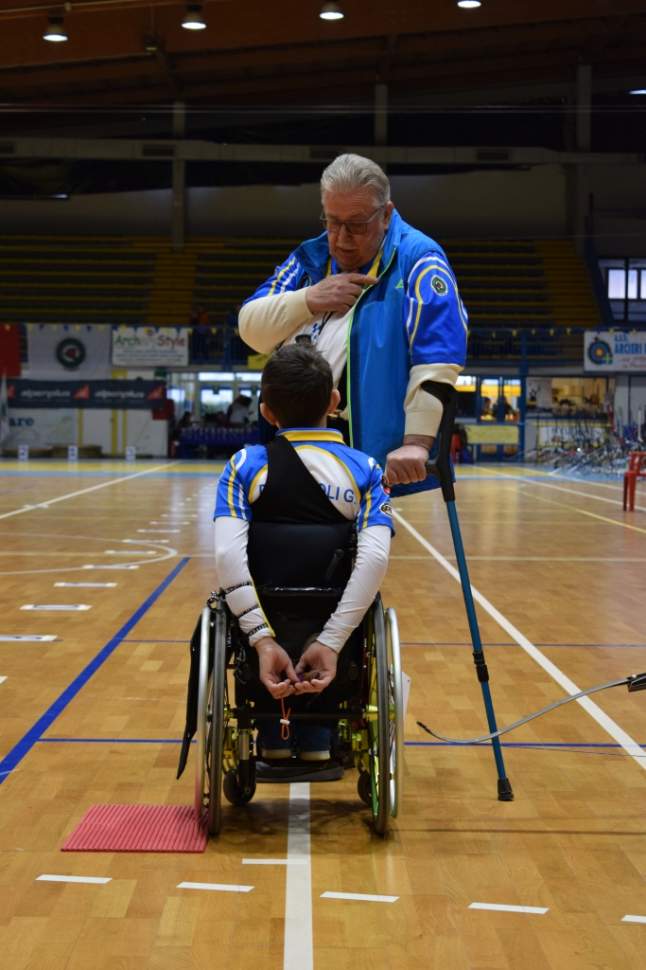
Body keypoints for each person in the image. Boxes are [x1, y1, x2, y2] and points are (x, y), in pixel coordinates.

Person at [238, 153, 468, 494]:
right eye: (332, 222)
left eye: (357, 225)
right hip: (294, 453)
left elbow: (437, 359)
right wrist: (308, 299)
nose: (342, 238)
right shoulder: (309, 260)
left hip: (379, 464)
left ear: (387, 214)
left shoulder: (419, 259)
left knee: (370, 548)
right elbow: (250, 327)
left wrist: (416, 443)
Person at [213, 343, 393, 762]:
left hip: (262, 626)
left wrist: (261, 640)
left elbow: (228, 558)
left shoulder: (243, 466)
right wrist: (329, 641)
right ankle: (318, 737)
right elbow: (374, 561)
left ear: (266, 411)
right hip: (336, 631)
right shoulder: (366, 470)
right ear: (334, 402)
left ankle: (272, 736)